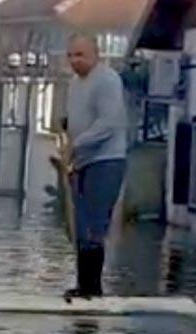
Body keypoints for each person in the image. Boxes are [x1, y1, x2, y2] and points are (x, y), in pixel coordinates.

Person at [63, 34, 128, 299]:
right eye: (70, 55)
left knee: (94, 226)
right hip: (82, 162)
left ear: (96, 55)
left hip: (106, 161)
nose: (74, 61)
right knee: (80, 226)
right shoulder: (74, 84)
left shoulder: (108, 80)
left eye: (80, 55)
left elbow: (109, 123)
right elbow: (77, 117)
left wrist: (77, 143)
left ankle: (93, 289)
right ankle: (83, 285)